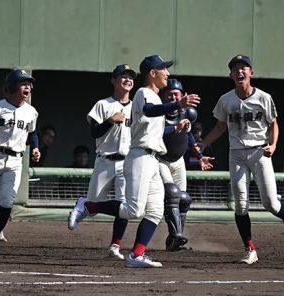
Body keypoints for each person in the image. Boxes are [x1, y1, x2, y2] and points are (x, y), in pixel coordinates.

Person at [68, 55, 200, 268]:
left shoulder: (157, 98)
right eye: (163, 69)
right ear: (152, 73)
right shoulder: (143, 92)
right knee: (133, 210)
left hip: (154, 159)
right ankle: (88, 204)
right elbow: (148, 110)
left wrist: (175, 128)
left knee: (156, 211)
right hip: (139, 157)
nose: (167, 73)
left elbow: (153, 125)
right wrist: (178, 103)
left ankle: (136, 255)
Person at [199, 54, 284, 265]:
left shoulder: (263, 97)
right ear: (230, 74)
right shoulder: (226, 99)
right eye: (235, 69)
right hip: (236, 152)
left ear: (251, 72)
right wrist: (204, 144)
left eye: (244, 67)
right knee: (240, 204)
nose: (240, 71)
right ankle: (250, 249)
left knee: (270, 203)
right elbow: (220, 126)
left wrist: (274, 145)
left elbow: (274, 124)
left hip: (260, 151)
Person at [68, 64, 136, 260]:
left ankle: (115, 245)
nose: (127, 79)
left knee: (124, 205)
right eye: (123, 76)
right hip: (105, 160)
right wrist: (110, 120)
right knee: (94, 205)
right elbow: (93, 133)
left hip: (127, 161)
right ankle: (84, 204)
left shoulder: (136, 107)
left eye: (130, 77)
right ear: (113, 80)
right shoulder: (103, 104)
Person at [0, 69, 41, 254]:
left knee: (7, 201)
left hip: (16, 160)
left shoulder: (31, 112)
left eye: (29, 84)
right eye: (24, 83)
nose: (28, 87)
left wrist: (36, 148)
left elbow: (32, 133)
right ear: (13, 86)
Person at [159, 78, 214, 251]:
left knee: (183, 199)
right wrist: (174, 128)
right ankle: (176, 236)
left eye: (176, 94)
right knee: (172, 195)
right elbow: (156, 132)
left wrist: (199, 156)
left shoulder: (187, 114)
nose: (172, 97)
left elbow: (189, 138)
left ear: (182, 95)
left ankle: (175, 239)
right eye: (169, 94)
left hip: (178, 161)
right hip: (160, 160)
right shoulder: (158, 113)